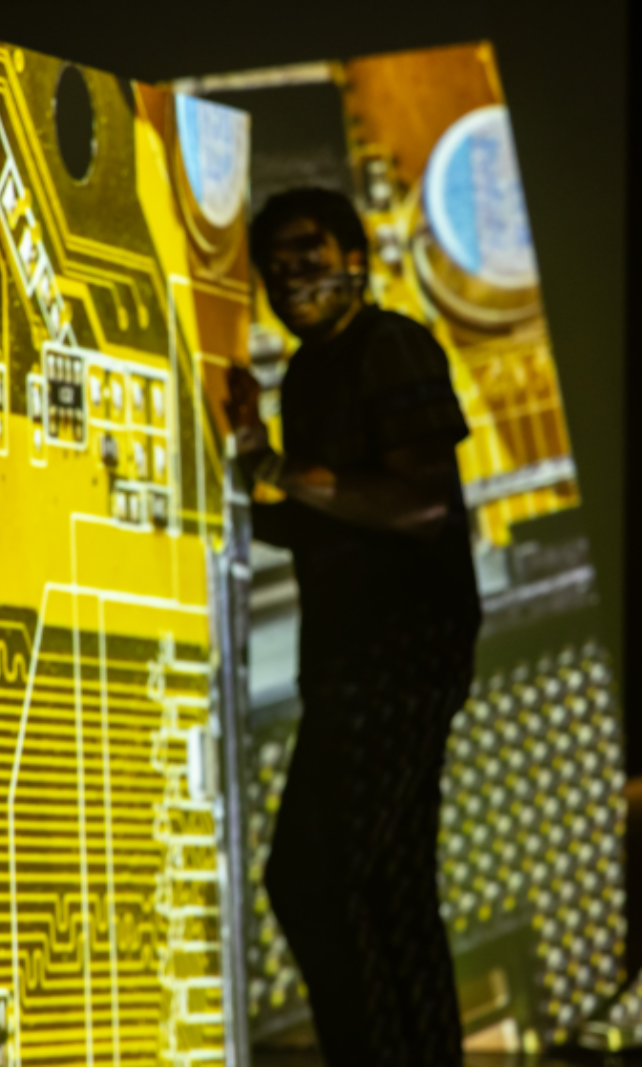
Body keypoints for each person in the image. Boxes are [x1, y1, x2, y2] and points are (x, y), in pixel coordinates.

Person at [227, 188, 481, 1067]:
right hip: (353, 660)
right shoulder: (308, 374)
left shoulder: (391, 344)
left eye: (308, 254)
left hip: (400, 655)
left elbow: (420, 505)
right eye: (275, 267)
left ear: (355, 257)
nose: (290, 277)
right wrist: (240, 476)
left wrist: (272, 463)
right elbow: (322, 517)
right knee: (390, 891)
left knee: (311, 880)